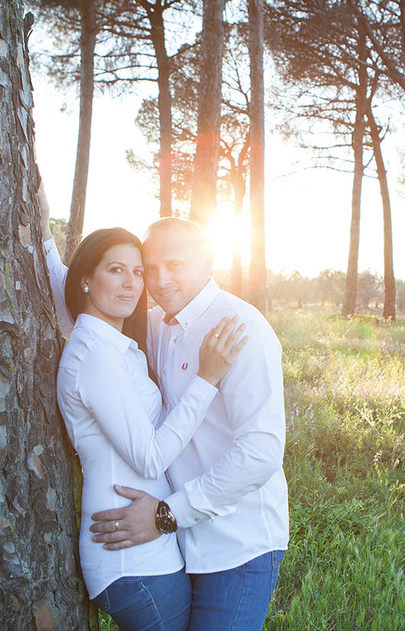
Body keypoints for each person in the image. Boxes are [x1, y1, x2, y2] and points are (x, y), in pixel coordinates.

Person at [87, 218, 289, 630]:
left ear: (208, 260)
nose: (160, 280)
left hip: (238, 544)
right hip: (178, 546)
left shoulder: (241, 327)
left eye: (175, 265)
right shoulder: (158, 324)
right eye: (151, 268)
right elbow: (85, 298)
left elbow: (260, 452)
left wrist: (166, 514)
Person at [48, 221, 248, 631]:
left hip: (144, 548)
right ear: (84, 279)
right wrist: (206, 380)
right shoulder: (96, 355)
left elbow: (61, 291)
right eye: (115, 270)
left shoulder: (105, 343)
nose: (131, 284)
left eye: (137, 272)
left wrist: (40, 220)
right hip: (131, 558)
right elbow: (150, 458)